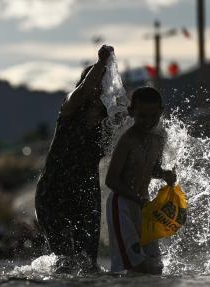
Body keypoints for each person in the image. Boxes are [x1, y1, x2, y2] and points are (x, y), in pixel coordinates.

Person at [35, 45, 114, 273]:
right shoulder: (69, 110)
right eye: (97, 83)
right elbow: (83, 91)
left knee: (88, 264)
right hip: (53, 191)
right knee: (65, 261)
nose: (100, 89)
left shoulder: (106, 125)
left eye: (105, 85)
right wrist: (101, 65)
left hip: (86, 193)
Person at [105, 86, 177, 274]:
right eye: (142, 116)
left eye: (153, 116)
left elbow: (153, 170)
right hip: (122, 206)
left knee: (155, 268)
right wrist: (138, 199)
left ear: (161, 112)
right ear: (131, 112)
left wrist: (165, 175)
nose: (148, 121)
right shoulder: (127, 141)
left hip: (143, 206)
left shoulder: (159, 137)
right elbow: (111, 180)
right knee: (135, 266)